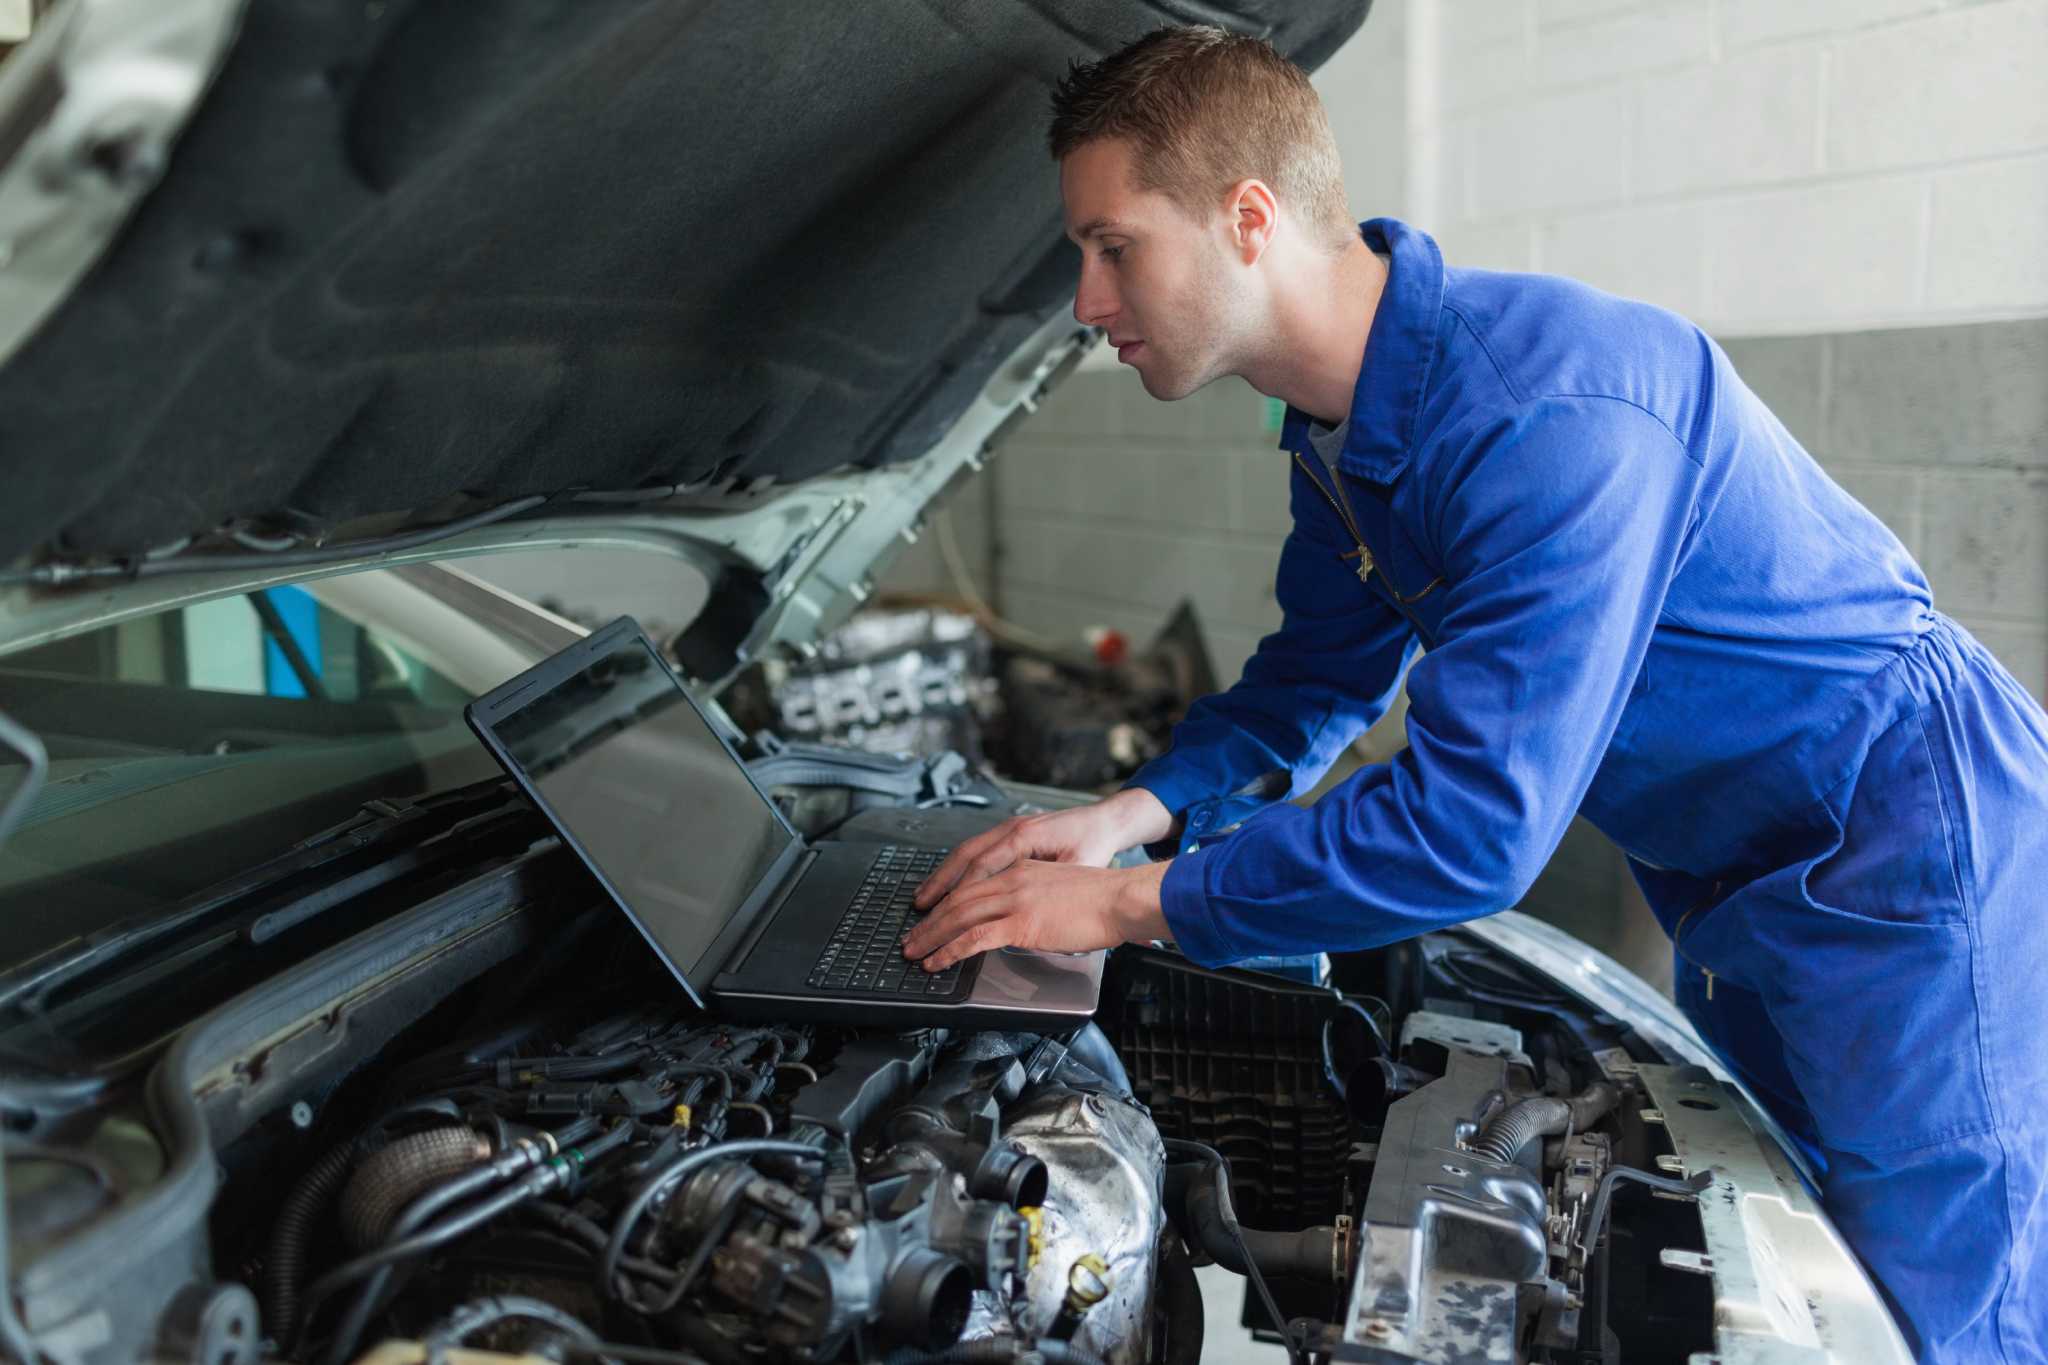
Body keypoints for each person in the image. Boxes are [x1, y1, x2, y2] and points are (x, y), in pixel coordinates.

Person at [896, 24, 2048, 1364]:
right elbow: (1313, 682)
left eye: (1113, 247)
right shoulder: (1340, 437)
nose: (1087, 303)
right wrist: (1127, 816)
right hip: (1748, 881)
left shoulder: (1542, 415)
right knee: (1816, 1285)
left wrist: (1136, 904)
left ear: (1249, 220)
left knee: (1943, 1320)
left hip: (1911, 854)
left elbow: (1470, 828)